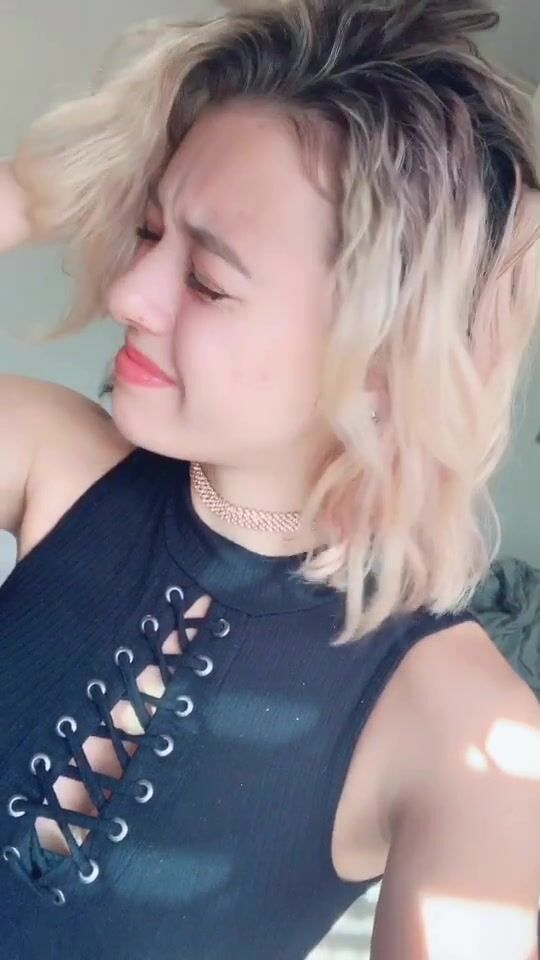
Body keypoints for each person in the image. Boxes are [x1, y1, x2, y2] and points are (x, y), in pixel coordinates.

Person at [1, 1, 539, 957]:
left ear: (384, 358)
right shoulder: (52, 454)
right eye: (148, 231)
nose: (127, 292)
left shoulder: (464, 731)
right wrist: (22, 194)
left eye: (208, 280)